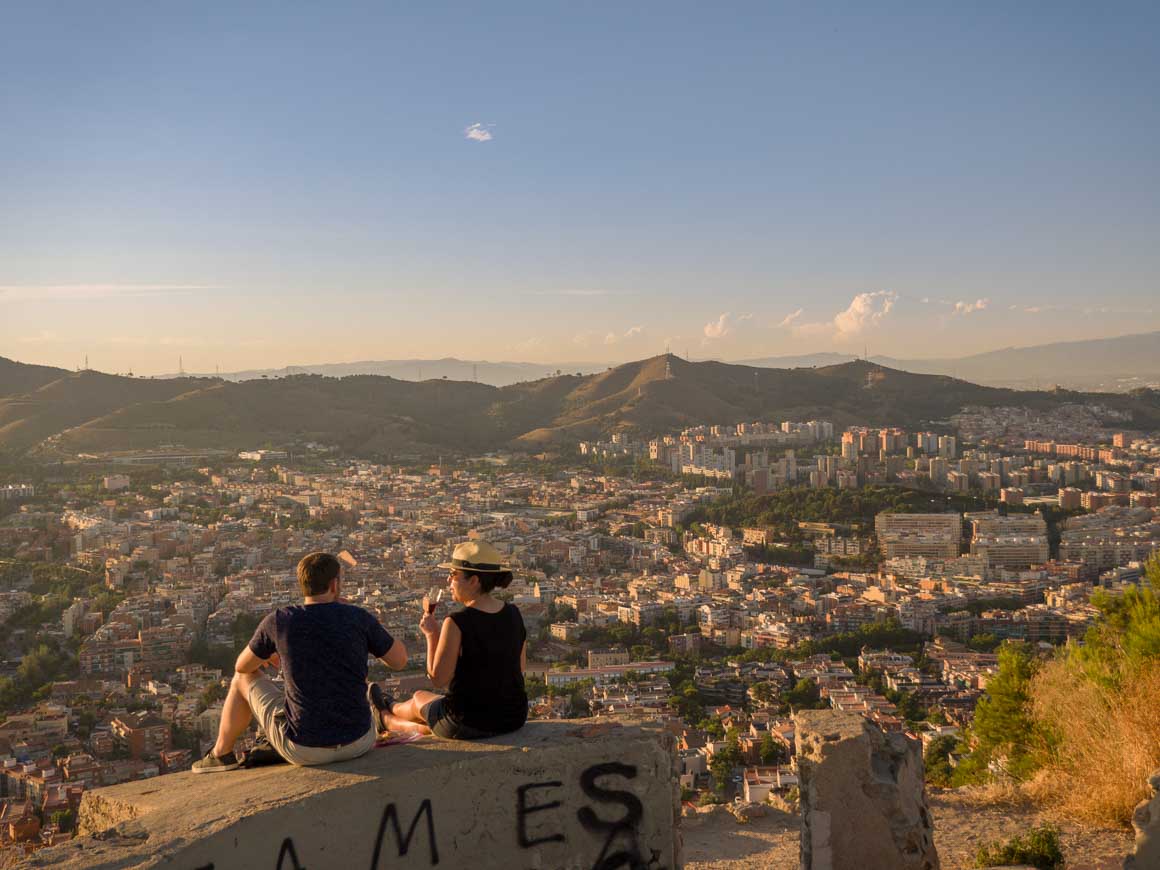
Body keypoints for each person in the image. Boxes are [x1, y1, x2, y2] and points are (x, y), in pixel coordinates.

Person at [192, 551, 407, 772]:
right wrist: (368, 624)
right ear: (335, 585)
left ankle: (221, 754)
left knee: (242, 678)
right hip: (359, 741)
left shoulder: (280, 621)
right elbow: (399, 661)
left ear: (302, 585)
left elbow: (242, 666)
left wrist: (273, 652)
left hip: (305, 749)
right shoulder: (357, 617)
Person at [370, 541, 527, 740]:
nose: (448, 581)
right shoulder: (514, 614)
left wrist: (431, 635)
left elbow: (437, 679)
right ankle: (389, 708)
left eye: (453, 575)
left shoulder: (458, 621)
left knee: (419, 698)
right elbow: (520, 668)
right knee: (431, 708)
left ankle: (386, 715)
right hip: (513, 717)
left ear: (474, 581)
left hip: (468, 721)